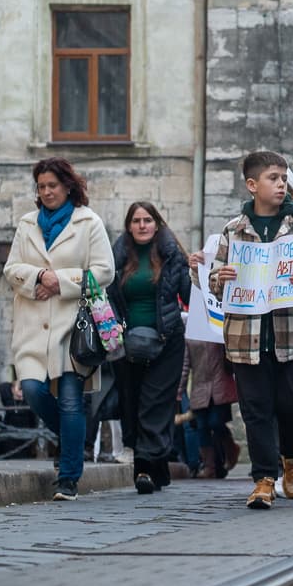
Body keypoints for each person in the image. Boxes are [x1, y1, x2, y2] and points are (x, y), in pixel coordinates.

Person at [208, 150, 293, 509]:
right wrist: (221, 277)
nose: (281, 184)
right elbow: (215, 278)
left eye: (283, 178)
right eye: (273, 178)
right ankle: (264, 478)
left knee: (291, 405)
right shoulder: (233, 231)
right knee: (255, 408)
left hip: (291, 335)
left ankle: (292, 456)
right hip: (246, 337)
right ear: (252, 185)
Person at [3, 157, 114, 501]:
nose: (47, 191)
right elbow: (12, 269)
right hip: (33, 328)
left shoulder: (89, 222)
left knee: (70, 402)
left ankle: (68, 478)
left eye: (53, 185)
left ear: (68, 186)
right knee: (34, 392)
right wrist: (38, 276)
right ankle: (72, 442)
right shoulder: (27, 224)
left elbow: (104, 271)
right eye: (41, 186)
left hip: (73, 329)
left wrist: (60, 281)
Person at [107, 202, 190, 494]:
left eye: (147, 220)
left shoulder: (171, 256)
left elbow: (189, 295)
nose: (142, 225)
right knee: (133, 403)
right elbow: (106, 297)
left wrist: (201, 270)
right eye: (136, 221)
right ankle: (158, 469)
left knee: (155, 403)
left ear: (157, 224)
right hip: (126, 344)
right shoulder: (116, 259)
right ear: (129, 226)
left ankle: (143, 468)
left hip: (167, 341)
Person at [182, 338, 239, 478]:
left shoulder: (218, 333)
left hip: (221, 387)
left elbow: (231, 360)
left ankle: (231, 448)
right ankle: (209, 467)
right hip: (200, 389)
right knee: (202, 427)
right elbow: (185, 365)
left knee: (216, 422)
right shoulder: (191, 336)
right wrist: (179, 391)